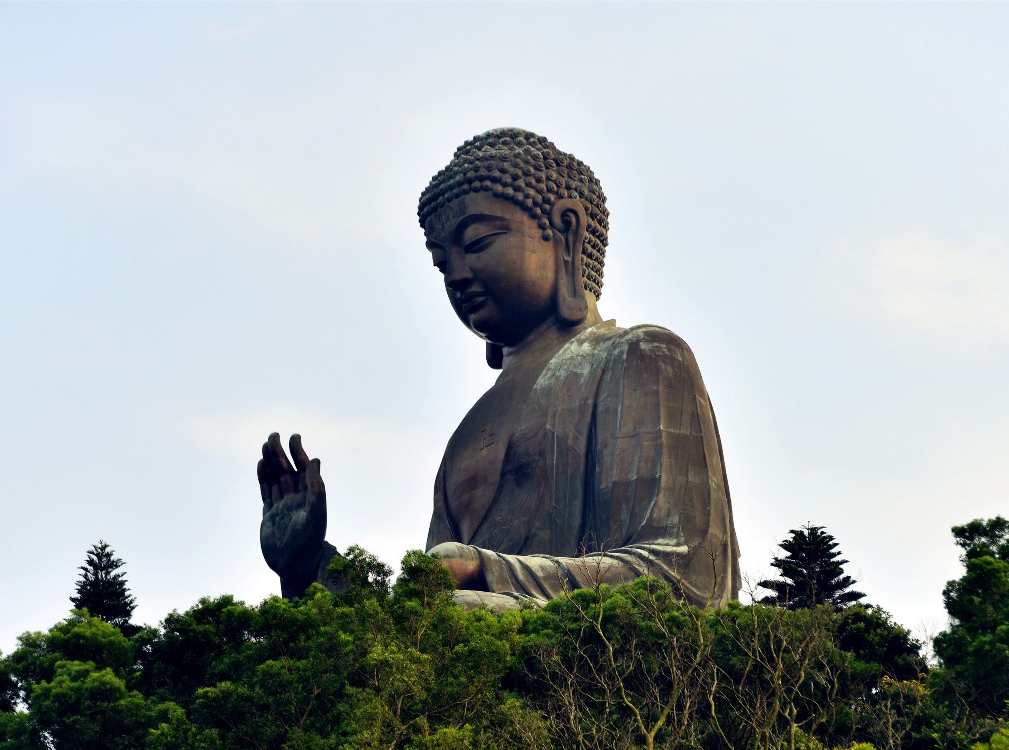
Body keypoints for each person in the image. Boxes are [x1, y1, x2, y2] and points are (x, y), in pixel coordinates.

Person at [259, 128, 739, 609]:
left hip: (592, 659)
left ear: (567, 231)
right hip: (479, 648)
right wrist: (308, 567)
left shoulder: (643, 357)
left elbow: (685, 575)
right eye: (442, 263)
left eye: (479, 242)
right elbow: (421, 606)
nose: (458, 275)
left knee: (458, 611)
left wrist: (486, 569)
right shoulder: (468, 432)